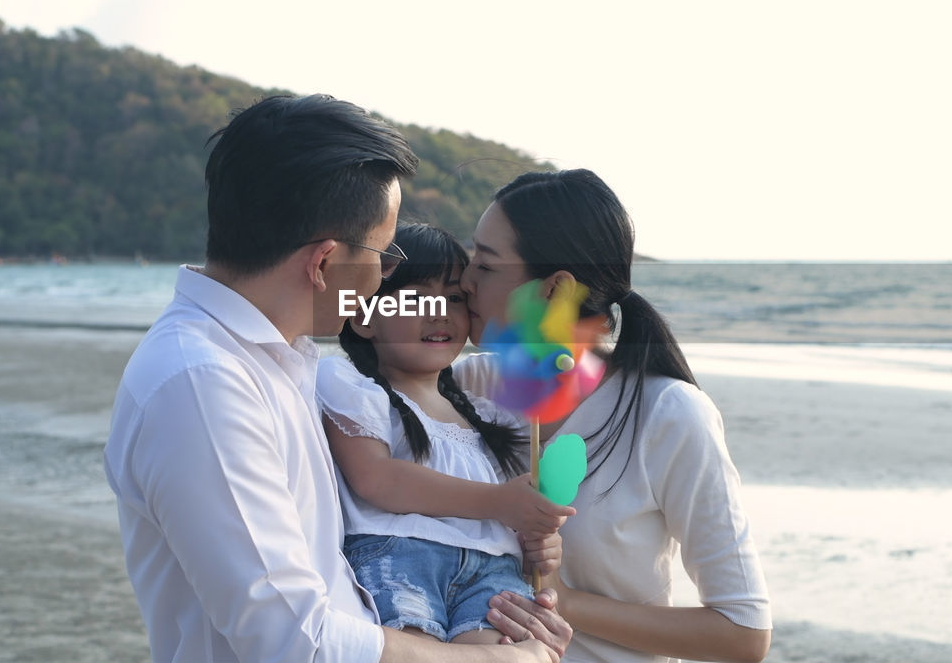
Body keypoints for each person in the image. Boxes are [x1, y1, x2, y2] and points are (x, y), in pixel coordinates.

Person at [103, 95, 572, 663]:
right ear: (325, 264)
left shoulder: (280, 362)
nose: (384, 274)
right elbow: (292, 638)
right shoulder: (204, 384)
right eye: (384, 251)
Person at [455, 169, 772, 663]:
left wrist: (564, 599)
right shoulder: (462, 388)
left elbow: (742, 633)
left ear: (556, 290)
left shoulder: (669, 414)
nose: (463, 280)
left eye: (487, 266)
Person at [319, 222, 576, 645]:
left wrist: (540, 542)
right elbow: (376, 479)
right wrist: (498, 502)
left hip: (495, 571)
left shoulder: (488, 417)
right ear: (365, 319)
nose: (439, 313)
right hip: (401, 556)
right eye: (417, 298)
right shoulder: (349, 383)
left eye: (454, 298)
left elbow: (512, 522)